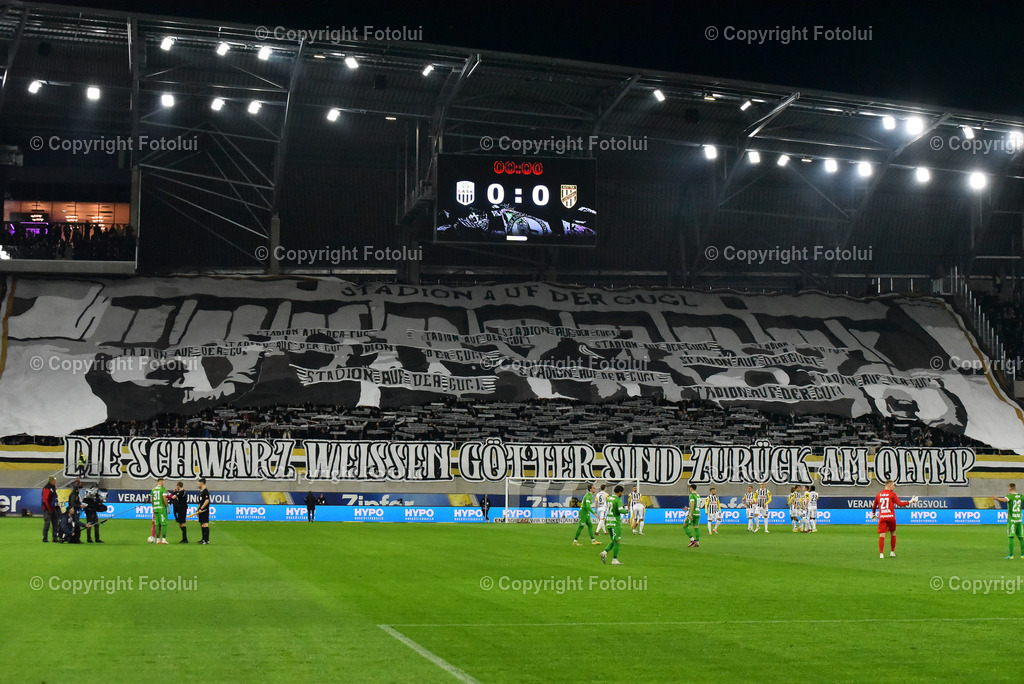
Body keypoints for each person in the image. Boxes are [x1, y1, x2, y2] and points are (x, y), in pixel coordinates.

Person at [871, 480, 916, 558]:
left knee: (882, 535)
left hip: (882, 517)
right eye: (893, 485)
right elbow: (900, 504)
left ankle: (881, 554)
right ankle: (892, 552)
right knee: (893, 533)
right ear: (889, 486)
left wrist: (874, 513)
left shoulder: (879, 494)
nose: (894, 487)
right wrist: (910, 501)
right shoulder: (892, 494)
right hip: (891, 517)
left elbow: (874, 505)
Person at [992, 483, 1023, 559]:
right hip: (1019, 520)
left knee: (1011, 537)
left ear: (1009, 489)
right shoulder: (1021, 496)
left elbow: (1004, 500)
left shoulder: (1010, 496)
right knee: (1021, 537)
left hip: (1012, 520)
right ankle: (1023, 555)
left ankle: (1011, 555)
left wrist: (996, 498)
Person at [599, 485, 626, 565]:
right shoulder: (618, 500)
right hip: (615, 523)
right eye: (622, 492)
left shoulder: (609, 498)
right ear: (620, 492)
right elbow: (620, 510)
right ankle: (614, 559)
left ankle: (604, 552)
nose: (622, 494)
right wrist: (626, 510)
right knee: (617, 541)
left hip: (609, 522)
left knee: (614, 540)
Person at [151, 477, 170, 544]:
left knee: (157, 524)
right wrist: (167, 507)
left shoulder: (153, 489)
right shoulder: (163, 489)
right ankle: (163, 539)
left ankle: (158, 540)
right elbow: (164, 498)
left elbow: (152, 500)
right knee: (164, 524)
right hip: (161, 509)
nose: (163, 483)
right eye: (163, 481)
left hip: (155, 508)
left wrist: (153, 507)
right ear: (161, 481)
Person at [41, 477, 59, 543]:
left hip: (53, 508)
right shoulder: (47, 488)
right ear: (51, 481)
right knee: (47, 523)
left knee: (55, 523)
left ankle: (55, 537)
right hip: (48, 509)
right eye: (54, 480)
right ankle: (45, 538)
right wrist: (48, 508)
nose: (55, 482)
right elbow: (45, 500)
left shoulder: (53, 488)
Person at [196, 478, 211, 544]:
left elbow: (206, 500)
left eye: (198, 484)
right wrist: (198, 509)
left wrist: (202, 508)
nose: (197, 485)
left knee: (205, 524)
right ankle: (203, 539)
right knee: (202, 524)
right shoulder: (201, 492)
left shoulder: (205, 491)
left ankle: (206, 540)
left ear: (201, 483)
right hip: (201, 510)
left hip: (204, 510)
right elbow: (200, 502)